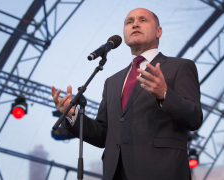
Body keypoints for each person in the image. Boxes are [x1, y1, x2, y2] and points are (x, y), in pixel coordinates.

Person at [51, 8, 203, 180]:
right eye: (129, 22)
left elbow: (194, 117)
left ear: (159, 31)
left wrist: (165, 94)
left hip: (162, 171)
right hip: (116, 173)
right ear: (124, 35)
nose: (135, 24)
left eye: (143, 20)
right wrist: (72, 115)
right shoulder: (112, 82)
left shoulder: (180, 67)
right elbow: (103, 135)